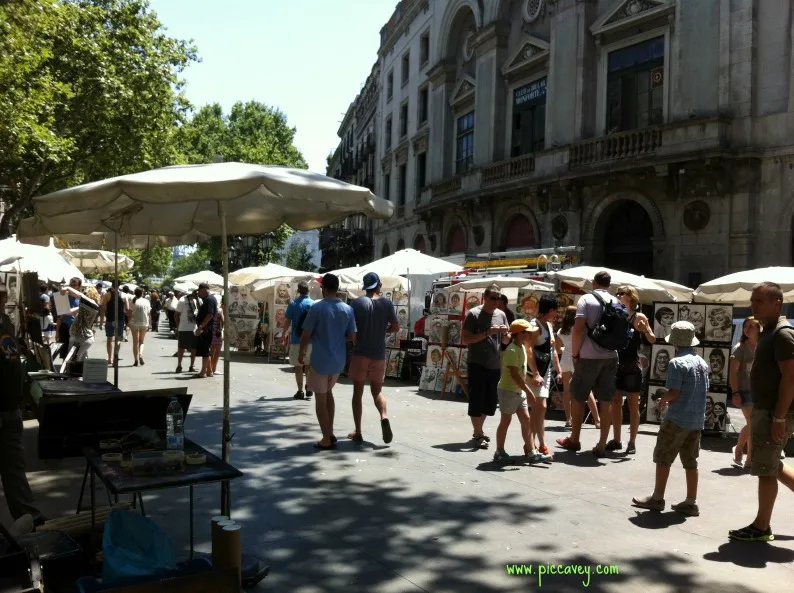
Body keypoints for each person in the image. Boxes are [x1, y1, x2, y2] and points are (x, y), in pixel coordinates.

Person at [729, 282, 794, 542]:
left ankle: (761, 527)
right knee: (773, 465)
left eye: (758, 301)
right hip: (766, 411)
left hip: (773, 413)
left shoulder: (782, 333)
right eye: (752, 300)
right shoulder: (769, 332)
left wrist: (778, 417)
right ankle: (761, 525)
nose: (752, 305)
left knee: (766, 469)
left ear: (776, 304)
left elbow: (790, 377)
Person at [632, 321, 709, 516]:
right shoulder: (702, 363)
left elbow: (674, 392)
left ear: (675, 342)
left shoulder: (677, 363)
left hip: (677, 418)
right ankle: (691, 501)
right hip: (696, 420)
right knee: (691, 461)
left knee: (663, 457)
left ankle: (657, 497)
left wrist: (662, 401)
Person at [556, 271, 621, 456]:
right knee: (606, 399)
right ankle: (601, 444)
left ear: (594, 283)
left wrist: (575, 353)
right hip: (611, 355)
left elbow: (577, 330)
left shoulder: (586, 300)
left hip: (588, 356)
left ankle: (574, 439)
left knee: (578, 396)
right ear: (609, 284)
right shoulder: (616, 301)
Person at [0, 281, 45, 525]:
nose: (3, 300)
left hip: (10, 408)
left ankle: (30, 520)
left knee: (15, 471)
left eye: (3, 295)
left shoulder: (4, 321)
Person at [298, 273, 357, 450]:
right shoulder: (347, 309)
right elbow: (352, 336)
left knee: (320, 399)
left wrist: (301, 353)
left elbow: (306, 333)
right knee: (329, 394)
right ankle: (330, 432)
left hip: (320, 361)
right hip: (338, 360)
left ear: (324, 289)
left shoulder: (317, 308)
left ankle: (326, 438)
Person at [348, 272, 400, 444]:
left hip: (360, 353)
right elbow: (396, 327)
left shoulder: (356, 303)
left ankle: (358, 431)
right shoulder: (386, 303)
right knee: (377, 391)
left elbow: (351, 331)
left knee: (357, 393)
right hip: (378, 355)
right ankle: (384, 416)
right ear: (378, 285)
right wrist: (383, 331)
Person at [607, 285, 655, 454]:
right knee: (615, 402)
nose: (619, 296)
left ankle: (632, 441)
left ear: (631, 297)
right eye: (618, 293)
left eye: (622, 294)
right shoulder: (615, 314)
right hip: (615, 363)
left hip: (632, 364)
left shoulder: (639, 316)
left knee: (633, 404)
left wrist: (645, 330)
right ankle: (617, 439)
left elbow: (652, 339)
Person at [462, 284, 510, 449]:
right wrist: (487, 333)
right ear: (485, 297)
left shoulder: (501, 315)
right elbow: (466, 339)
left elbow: (506, 341)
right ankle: (478, 433)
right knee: (477, 399)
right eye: (493, 298)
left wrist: (505, 334)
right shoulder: (474, 314)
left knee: (490, 402)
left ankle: (478, 430)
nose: (496, 302)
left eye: (498, 299)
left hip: (494, 364)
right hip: (477, 362)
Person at [493, 319, 540, 463]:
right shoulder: (513, 350)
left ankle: (531, 451)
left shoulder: (521, 347)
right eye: (528, 332)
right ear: (520, 334)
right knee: (505, 421)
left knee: (526, 420)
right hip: (509, 390)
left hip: (519, 391)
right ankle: (499, 451)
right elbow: (514, 375)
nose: (531, 335)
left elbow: (521, 371)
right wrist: (529, 390)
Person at [527, 294, 561, 459]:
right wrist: (535, 373)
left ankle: (537, 443)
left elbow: (552, 350)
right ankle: (534, 443)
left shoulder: (549, 325)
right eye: (556, 310)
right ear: (550, 310)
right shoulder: (535, 325)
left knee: (540, 408)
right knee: (539, 407)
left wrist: (559, 369)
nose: (557, 314)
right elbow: (529, 350)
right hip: (536, 373)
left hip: (546, 372)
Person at [556, 306, 601, 429]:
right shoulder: (580, 329)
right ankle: (597, 419)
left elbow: (557, 349)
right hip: (579, 358)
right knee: (587, 390)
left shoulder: (561, 331)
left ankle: (568, 419)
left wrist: (566, 349)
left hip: (565, 359)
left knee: (566, 391)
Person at [730, 316, 761, 468]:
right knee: (753, 422)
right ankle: (740, 451)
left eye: (751, 327)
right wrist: (735, 392)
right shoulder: (740, 348)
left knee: (753, 424)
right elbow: (732, 372)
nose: (747, 329)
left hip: (759, 391)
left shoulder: (762, 347)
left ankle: (748, 459)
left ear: (759, 329)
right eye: (745, 326)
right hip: (744, 390)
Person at [283, 281, 315, 399]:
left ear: (298, 291)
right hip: (311, 340)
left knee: (298, 366)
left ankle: (300, 391)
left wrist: (283, 334)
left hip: (297, 339)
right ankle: (309, 387)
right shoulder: (313, 304)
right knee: (309, 365)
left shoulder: (293, 304)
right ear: (308, 290)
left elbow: (287, 321)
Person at [62, 284, 100, 362]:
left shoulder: (93, 305)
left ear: (91, 295)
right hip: (76, 336)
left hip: (84, 337)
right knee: (74, 360)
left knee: (76, 360)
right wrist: (62, 300)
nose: (84, 294)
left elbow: (79, 295)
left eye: (86, 293)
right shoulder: (84, 307)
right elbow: (68, 312)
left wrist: (68, 288)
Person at [101, 281, 129, 366]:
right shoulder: (124, 295)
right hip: (120, 319)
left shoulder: (107, 295)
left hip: (110, 319)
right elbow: (127, 308)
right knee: (118, 340)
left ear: (112, 285)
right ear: (119, 286)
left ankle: (110, 358)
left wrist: (102, 321)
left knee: (109, 340)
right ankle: (116, 357)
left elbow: (103, 308)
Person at [194, 283, 219, 378]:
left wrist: (201, 326)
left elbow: (210, 314)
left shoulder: (210, 299)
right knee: (206, 350)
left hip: (206, 328)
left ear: (204, 289)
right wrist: (197, 299)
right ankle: (209, 371)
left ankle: (203, 372)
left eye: (199, 291)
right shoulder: (207, 300)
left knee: (204, 351)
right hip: (206, 328)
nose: (198, 293)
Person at [57, 277, 82, 359]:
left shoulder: (81, 299)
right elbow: (60, 317)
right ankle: (65, 368)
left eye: (74, 285)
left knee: (76, 351)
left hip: (77, 327)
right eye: (71, 285)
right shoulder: (63, 297)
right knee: (65, 351)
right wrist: (57, 331)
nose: (72, 287)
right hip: (65, 326)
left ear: (79, 286)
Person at [174, 290, 199, 373]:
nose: (196, 294)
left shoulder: (196, 300)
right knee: (181, 347)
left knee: (194, 348)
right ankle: (179, 365)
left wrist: (198, 300)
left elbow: (200, 310)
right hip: (183, 328)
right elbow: (176, 314)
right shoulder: (182, 301)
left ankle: (192, 365)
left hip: (194, 328)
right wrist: (178, 326)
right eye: (195, 293)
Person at [129, 288, 151, 366]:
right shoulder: (146, 301)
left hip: (134, 322)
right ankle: (141, 355)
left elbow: (129, 312)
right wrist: (150, 324)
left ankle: (136, 360)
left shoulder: (133, 301)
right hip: (144, 322)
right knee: (141, 341)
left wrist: (128, 322)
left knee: (135, 342)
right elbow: (148, 313)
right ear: (142, 293)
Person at [210, 297, 225, 375]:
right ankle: (214, 369)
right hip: (217, 333)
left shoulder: (210, 310)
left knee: (211, 352)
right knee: (217, 352)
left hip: (210, 333)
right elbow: (223, 321)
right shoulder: (220, 310)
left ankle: (209, 369)